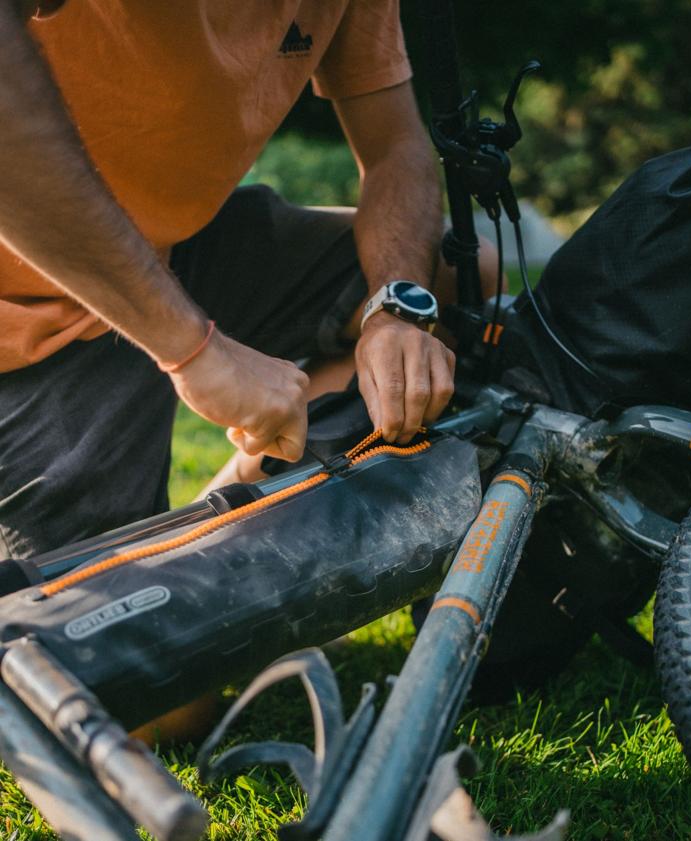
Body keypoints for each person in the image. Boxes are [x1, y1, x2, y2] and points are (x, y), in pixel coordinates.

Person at [0, 1, 501, 561]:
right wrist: (196, 353)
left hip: (180, 247)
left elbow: (395, 149)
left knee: (456, 278)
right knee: (88, 610)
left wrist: (395, 309)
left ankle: (230, 516)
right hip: (25, 306)